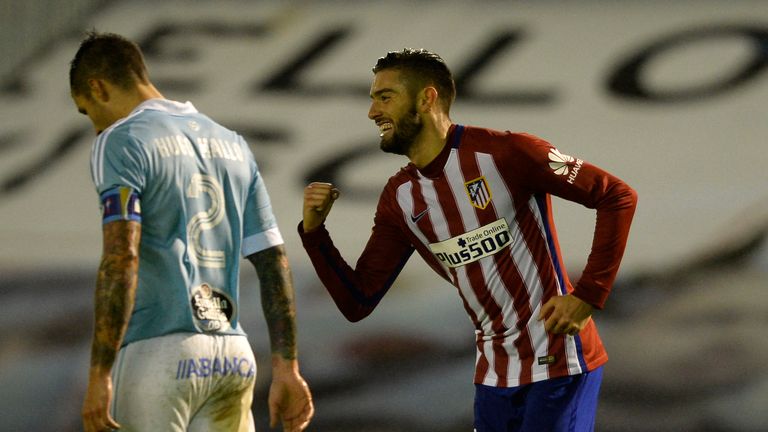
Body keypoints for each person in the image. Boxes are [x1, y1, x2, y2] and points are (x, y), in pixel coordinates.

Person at [299, 48, 637, 431]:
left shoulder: (507, 152)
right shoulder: (400, 199)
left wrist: (587, 296)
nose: (373, 112)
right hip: (494, 377)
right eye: (373, 99)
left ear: (426, 98)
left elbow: (616, 195)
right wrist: (314, 233)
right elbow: (357, 300)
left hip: (558, 361)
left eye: (385, 97)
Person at [70, 31, 313, 432]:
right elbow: (273, 259)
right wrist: (287, 366)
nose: (94, 127)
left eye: (86, 111)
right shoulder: (233, 143)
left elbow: (121, 256)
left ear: (97, 87)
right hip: (232, 355)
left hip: (157, 354)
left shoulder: (121, 141)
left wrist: (99, 372)